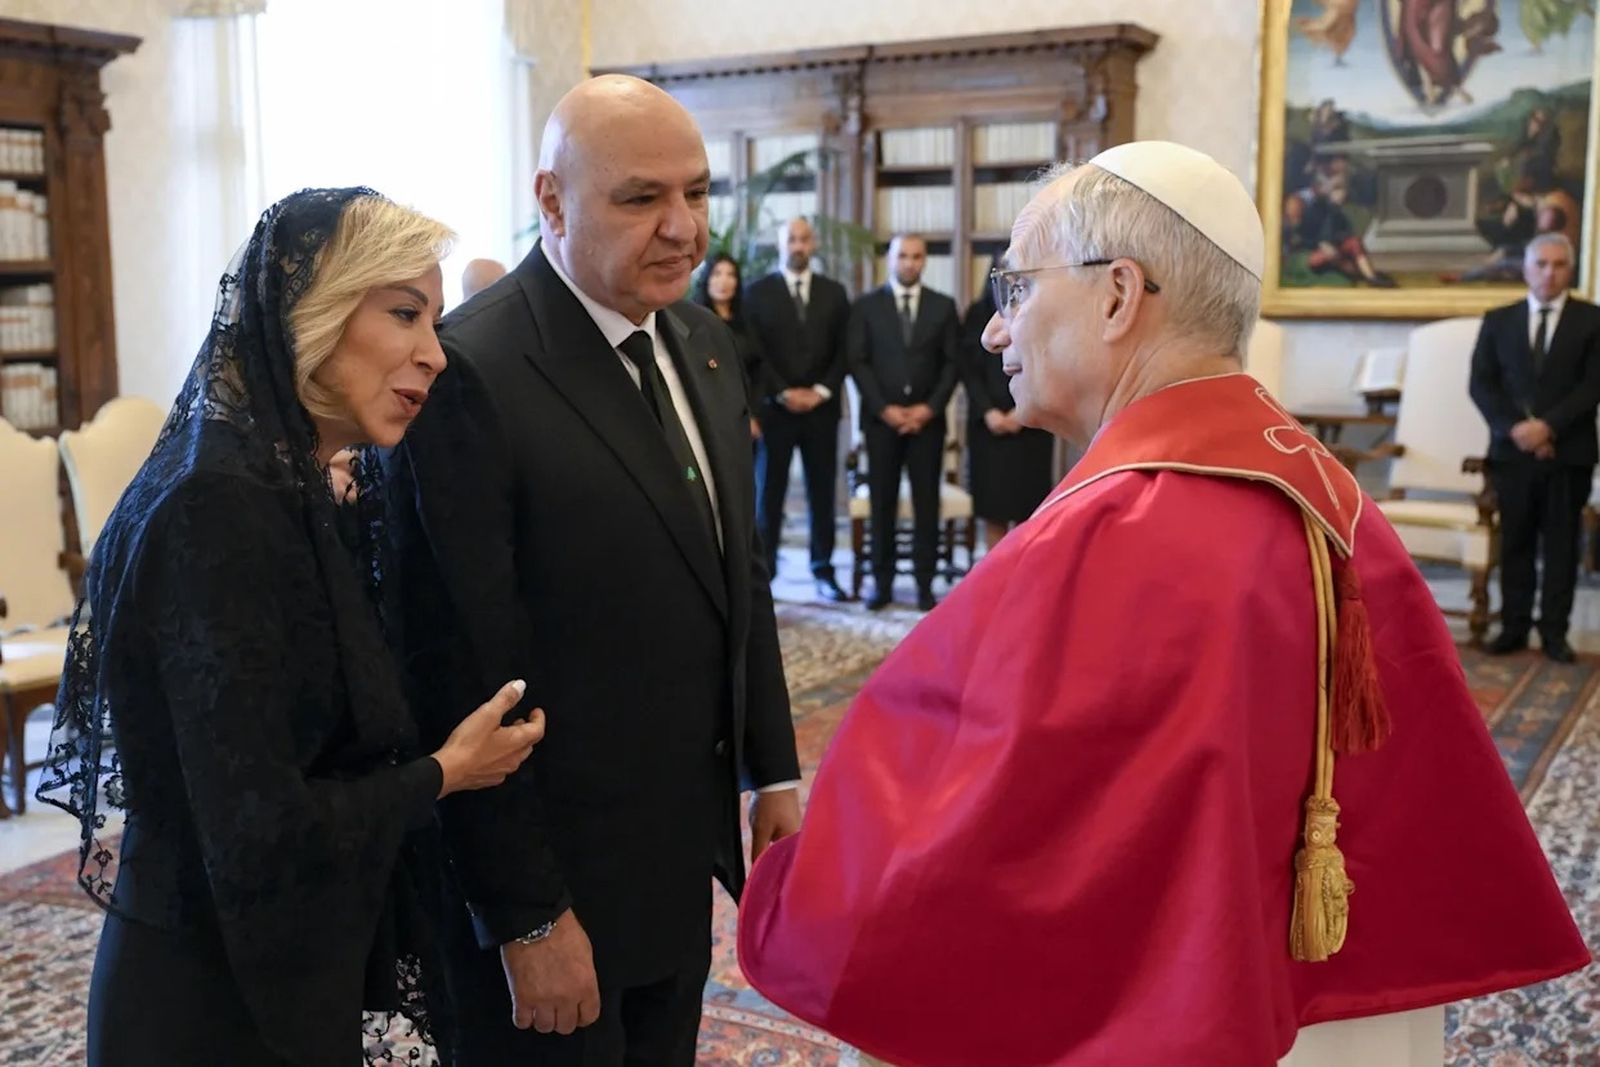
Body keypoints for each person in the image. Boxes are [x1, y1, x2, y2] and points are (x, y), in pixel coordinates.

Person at [738, 142, 1588, 1066]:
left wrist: (802, 886)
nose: (993, 332)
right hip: (1333, 1010)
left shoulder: (1109, 528)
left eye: (1016, 288)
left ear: (1117, 296)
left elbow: (971, 842)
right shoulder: (1338, 502)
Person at [34, 188, 547, 1066]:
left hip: (276, 968)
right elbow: (256, 824)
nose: (436, 353)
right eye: (404, 315)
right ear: (314, 314)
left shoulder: (297, 487)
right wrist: (443, 773)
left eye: (437, 321)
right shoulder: (219, 506)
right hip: (205, 997)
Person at [391, 75, 802, 1065]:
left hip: (673, 864)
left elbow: (731, 570)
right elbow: (455, 674)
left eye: (697, 193)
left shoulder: (701, 341)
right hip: (550, 891)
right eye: (640, 197)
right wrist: (527, 917)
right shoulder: (470, 374)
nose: (682, 227)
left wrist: (772, 764)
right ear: (550, 200)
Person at [1470, 232, 1600, 662]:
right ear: (1526, 269)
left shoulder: (1592, 320)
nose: (1549, 272)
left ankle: (1554, 634)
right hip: (1512, 454)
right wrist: (1517, 431)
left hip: (1569, 453)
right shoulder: (1498, 319)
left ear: (1570, 269)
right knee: (1516, 542)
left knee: (1562, 545)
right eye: (1541, 264)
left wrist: (1549, 428)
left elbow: (1592, 386)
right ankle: (1513, 626)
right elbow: (1482, 384)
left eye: (1558, 264)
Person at [847, 233, 959, 610]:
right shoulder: (866, 307)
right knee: (883, 504)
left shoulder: (943, 307)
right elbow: (858, 363)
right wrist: (885, 409)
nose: (909, 263)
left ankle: (925, 583)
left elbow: (952, 365)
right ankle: (882, 583)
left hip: (928, 424)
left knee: (927, 503)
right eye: (902, 256)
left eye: (916, 257)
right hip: (882, 424)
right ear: (890, 260)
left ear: (924, 261)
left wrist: (929, 409)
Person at [743, 216, 852, 601]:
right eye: (791, 239)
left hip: (821, 411)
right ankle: (765, 572)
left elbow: (845, 350)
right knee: (767, 495)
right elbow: (755, 352)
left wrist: (821, 390)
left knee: (822, 493)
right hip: (775, 411)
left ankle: (823, 569)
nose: (798, 246)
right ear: (780, 243)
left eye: (804, 239)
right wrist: (784, 392)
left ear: (814, 243)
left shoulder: (835, 293)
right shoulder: (756, 293)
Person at [962, 253, 1056, 550]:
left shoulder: (1040, 310)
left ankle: (1024, 581)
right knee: (994, 509)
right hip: (988, 427)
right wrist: (989, 411)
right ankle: (996, 582)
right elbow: (968, 370)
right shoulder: (978, 314)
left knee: (1030, 510)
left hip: (1031, 423)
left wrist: (1022, 412)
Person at [692, 250, 763, 446]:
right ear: (707, 279)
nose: (723, 281)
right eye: (717, 273)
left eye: (730, 275)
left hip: (745, 417)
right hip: (706, 417)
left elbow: (758, 370)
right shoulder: (691, 321)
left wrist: (752, 414)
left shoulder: (748, 320)